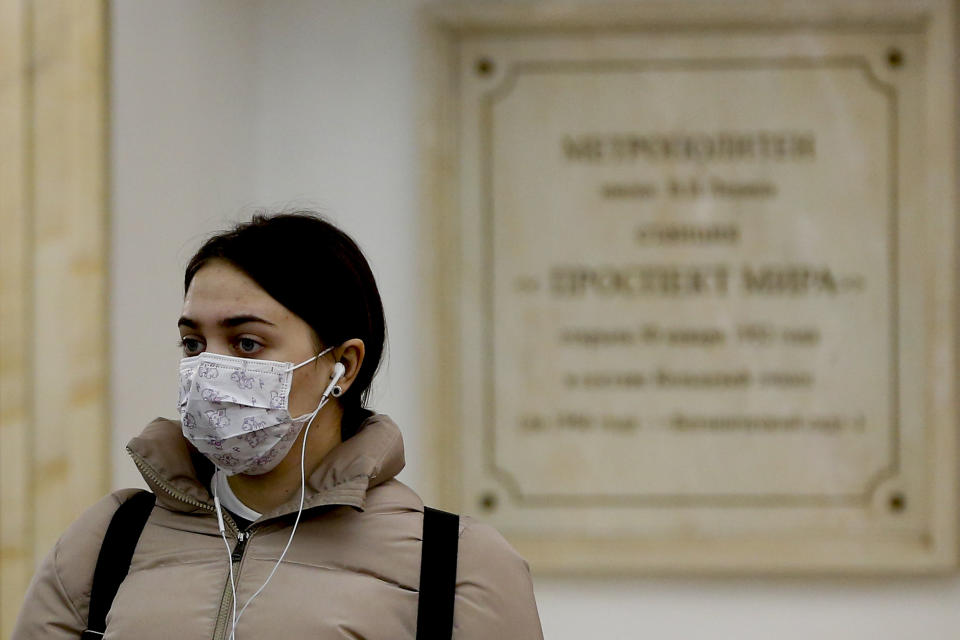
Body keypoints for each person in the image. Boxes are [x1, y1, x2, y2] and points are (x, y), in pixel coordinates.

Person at [12, 212, 544, 639]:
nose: (210, 370)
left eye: (247, 342)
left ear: (344, 367)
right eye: (193, 343)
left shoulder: (455, 563)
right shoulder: (108, 541)